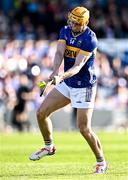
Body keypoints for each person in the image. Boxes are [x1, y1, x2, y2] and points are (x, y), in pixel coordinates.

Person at [29, 6, 107, 174]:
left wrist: (61, 77)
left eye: (76, 23)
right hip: (68, 81)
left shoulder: (90, 39)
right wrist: (55, 71)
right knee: (41, 113)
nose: (72, 25)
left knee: (84, 128)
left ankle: (101, 161)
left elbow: (78, 66)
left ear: (84, 23)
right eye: (71, 21)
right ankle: (49, 147)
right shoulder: (65, 31)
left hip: (84, 85)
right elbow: (59, 53)